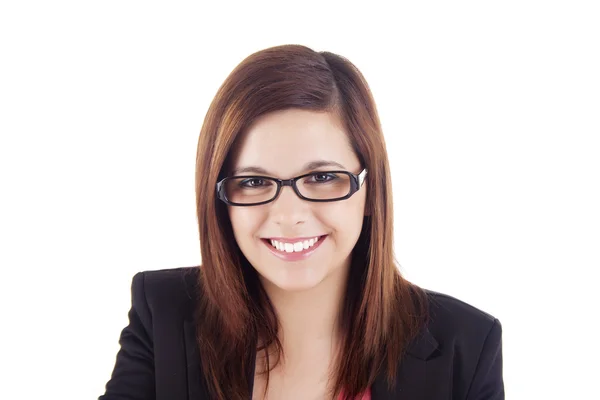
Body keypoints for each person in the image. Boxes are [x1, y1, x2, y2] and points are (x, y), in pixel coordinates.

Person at [99, 44, 504, 400]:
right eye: (254, 182)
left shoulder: (465, 344)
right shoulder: (163, 314)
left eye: (322, 178)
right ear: (220, 198)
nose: (290, 216)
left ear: (370, 191)